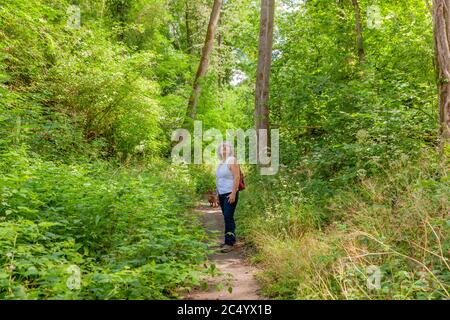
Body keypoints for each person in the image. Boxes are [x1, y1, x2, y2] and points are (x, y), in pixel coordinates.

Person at [215, 141, 240, 253]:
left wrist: (233, 193)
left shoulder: (232, 160)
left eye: (226, 148)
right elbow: (219, 179)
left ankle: (229, 243)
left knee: (228, 217)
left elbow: (237, 177)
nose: (224, 150)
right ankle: (229, 240)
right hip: (221, 193)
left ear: (230, 150)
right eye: (222, 148)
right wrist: (217, 193)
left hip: (230, 193)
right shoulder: (221, 162)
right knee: (226, 216)